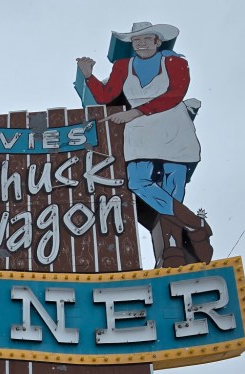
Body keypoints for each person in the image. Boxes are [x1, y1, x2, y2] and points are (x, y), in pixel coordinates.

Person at [77, 21, 213, 266]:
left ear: (157, 41)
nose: (141, 44)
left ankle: (172, 251)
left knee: (172, 191)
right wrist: (88, 75)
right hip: (139, 133)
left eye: (146, 39)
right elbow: (106, 96)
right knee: (138, 181)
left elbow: (175, 94)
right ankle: (196, 225)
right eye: (136, 40)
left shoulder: (174, 62)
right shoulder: (123, 66)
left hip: (172, 128)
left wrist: (137, 112)